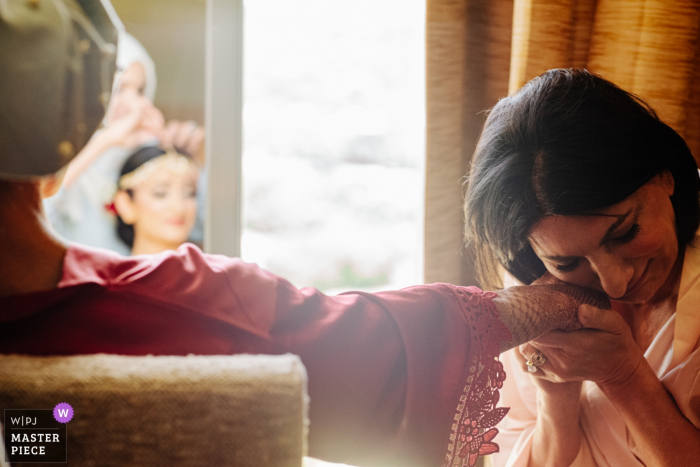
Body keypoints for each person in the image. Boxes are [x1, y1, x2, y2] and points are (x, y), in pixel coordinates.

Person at [0, 4, 612, 467]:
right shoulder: (179, 304)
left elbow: (37, 438)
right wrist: (563, 300)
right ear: (56, 168)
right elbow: (363, 344)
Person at [464, 68, 700, 467]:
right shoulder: (534, 292)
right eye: (568, 261)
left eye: (624, 233)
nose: (615, 283)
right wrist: (555, 398)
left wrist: (623, 377)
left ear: (665, 175)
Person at [43, 30, 205, 255]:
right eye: (119, 89)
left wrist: (179, 157)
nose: (133, 104)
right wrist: (104, 142)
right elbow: (39, 215)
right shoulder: (60, 161)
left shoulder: (146, 158)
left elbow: (199, 227)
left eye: (140, 90)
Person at [112, 146, 198, 255]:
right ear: (126, 204)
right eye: (160, 193)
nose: (179, 207)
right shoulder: (113, 272)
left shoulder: (217, 269)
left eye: (190, 193)